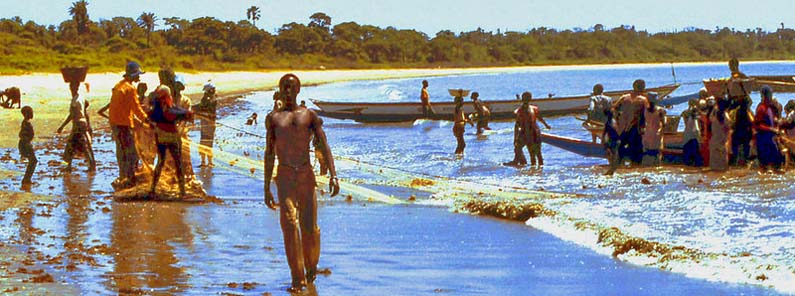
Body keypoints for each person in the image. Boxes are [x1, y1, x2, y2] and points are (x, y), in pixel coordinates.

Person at [264, 74, 340, 292]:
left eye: (292, 87)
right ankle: (297, 279)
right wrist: (266, 185)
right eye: (284, 87)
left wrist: (334, 175)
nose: (288, 91)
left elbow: (324, 146)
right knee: (289, 225)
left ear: (298, 90)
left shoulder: (309, 116)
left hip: (306, 176)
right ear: (280, 90)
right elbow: (269, 153)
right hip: (285, 177)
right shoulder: (273, 119)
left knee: (309, 228)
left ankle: (311, 267)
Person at [104, 61, 148, 189]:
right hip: (124, 125)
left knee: (121, 152)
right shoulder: (130, 88)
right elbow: (136, 108)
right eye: (138, 74)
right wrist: (147, 120)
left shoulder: (118, 86)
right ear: (133, 75)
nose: (139, 77)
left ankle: (123, 177)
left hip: (115, 124)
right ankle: (129, 180)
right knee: (132, 154)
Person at [148, 86, 192, 198]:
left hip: (160, 137)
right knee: (178, 162)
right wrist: (188, 114)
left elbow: (153, 117)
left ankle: (152, 189)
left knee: (160, 161)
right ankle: (182, 192)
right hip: (172, 137)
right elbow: (175, 113)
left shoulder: (155, 108)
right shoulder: (168, 107)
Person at [56, 82, 96, 171]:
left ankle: (68, 166)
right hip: (83, 122)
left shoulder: (75, 100)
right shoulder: (80, 97)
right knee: (81, 145)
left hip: (78, 124)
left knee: (71, 145)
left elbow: (72, 115)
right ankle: (91, 165)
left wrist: (62, 126)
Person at [504, 92, 551, 167]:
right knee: (530, 152)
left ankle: (534, 168)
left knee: (536, 153)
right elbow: (517, 124)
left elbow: (539, 118)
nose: (525, 100)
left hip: (532, 133)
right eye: (524, 98)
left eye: (526, 98)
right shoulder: (521, 111)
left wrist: (546, 125)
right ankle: (525, 163)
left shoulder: (528, 110)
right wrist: (516, 137)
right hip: (528, 132)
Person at [613, 79, 648, 164]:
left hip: (622, 128)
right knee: (636, 153)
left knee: (620, 150)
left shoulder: (624, 97)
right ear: (643, 87)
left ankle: (620, 167)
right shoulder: (643, 99)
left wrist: (617, 120)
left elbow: (614, 109)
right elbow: (647, 115)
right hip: (636, 128)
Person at [754, 85, 784, 172]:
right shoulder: (761, 108)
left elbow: (772, 121)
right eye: (769, 95)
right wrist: (770, 129)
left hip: (771, 137)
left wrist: (777, 124)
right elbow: (757, 125)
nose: (770, 97)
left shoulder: (770, 108)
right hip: (763, 138)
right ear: (763, 96)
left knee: (776, 156)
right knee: (766, 159)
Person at [173, 75, 196, 180]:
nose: (177, 88)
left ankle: (187, 177)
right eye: (176, 85)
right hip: (170, 134)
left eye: (179, 86)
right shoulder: (169, 100)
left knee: (185, 157)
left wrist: (179, 128)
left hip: (182, 134)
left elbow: (187, 117)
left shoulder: (185, 100)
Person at [641, 92, 666, 166]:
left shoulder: (645, 110)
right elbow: (664, 123)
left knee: (647, 154)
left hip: (647, 133)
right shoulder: (660, 110)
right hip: (657, 133)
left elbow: (642, 122)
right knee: (657, 154)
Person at [197, 82, 218, 167]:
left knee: (207, 141)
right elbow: (204, 110)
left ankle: (208, 161)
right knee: (206, 141)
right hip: (207, 122)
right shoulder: (207, 99)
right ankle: (205, 161)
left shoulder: (211, 98)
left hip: (209, 122)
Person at [729, 96, 754, 166]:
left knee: (736, 150)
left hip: (738, 132)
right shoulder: (747, 112)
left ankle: (735, 162)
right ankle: (744, 161)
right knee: (745, 150)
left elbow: (732, 122)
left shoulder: (736, 111)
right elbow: (752, 121)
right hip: (744, 133)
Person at [709, 97, 731, 171]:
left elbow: (710, 118)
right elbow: (728, 129)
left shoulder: (714, 114)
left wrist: (715, 106)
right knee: (723, 166)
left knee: (714, 166)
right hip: (722, 141)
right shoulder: (725, 116)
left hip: (714, 140)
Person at [681, 98, 703, 167]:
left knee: (687, 155)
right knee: (696, 154)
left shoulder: (685, 112)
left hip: (688, 134)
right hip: (694, 134)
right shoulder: (696, 112)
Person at [18, 106, 36, 186]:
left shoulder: (25, 122)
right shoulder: (26, 123)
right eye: (31, 112)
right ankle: (26, 179)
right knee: (33, 161)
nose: (32, 114)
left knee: (32, 161)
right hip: (25, 144)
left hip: (25, 144)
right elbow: (22, 135)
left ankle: (27, 179)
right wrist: (28, 144)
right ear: (27, 113)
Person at [603, 109, 621, 175]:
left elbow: (605, 134)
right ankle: (611, 171)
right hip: (615, 141)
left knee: (612, 157)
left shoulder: (608, 123)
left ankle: (611, 171)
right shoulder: (614, 122)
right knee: (614, 157)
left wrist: (604, 144)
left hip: (612, 141)